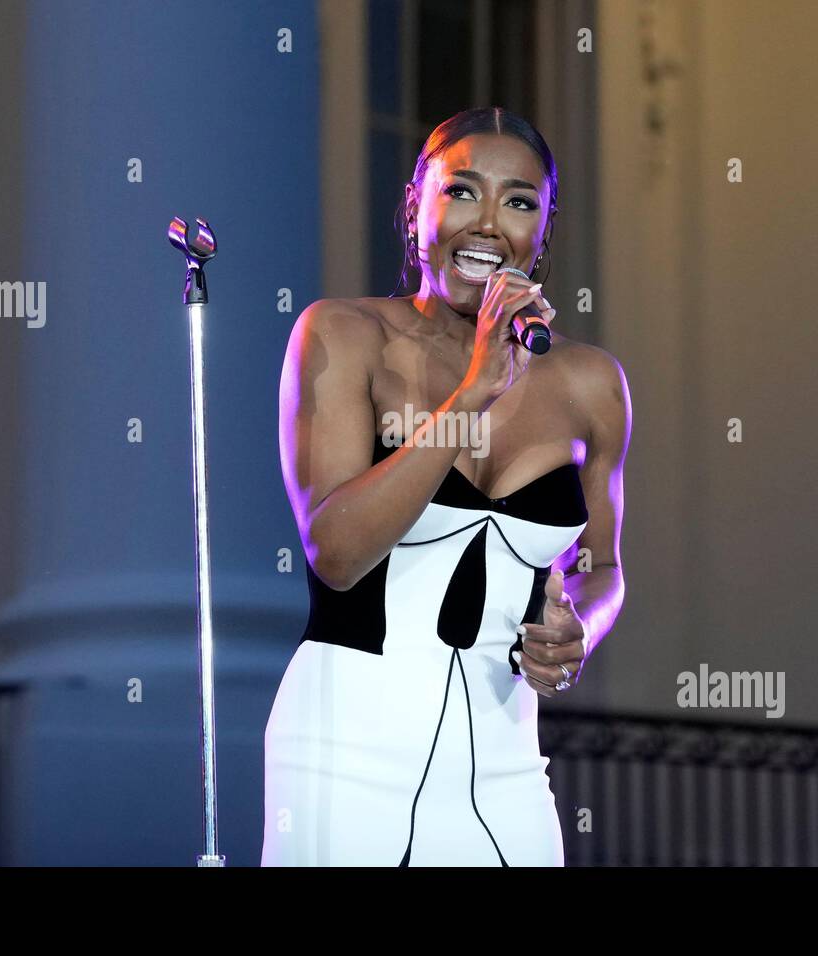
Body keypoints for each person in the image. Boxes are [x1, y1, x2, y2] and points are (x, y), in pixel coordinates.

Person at [262, 106, 630, 866]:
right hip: (344, 745)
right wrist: (471, 396)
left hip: (505, 761)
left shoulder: (593, 382)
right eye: (461, 192)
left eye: (520, 202)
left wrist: (581, 629)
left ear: (545, 229)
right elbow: (335, 552)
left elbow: (604, 566)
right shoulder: (342, 334)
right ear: (415, 208)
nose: (489, 225)